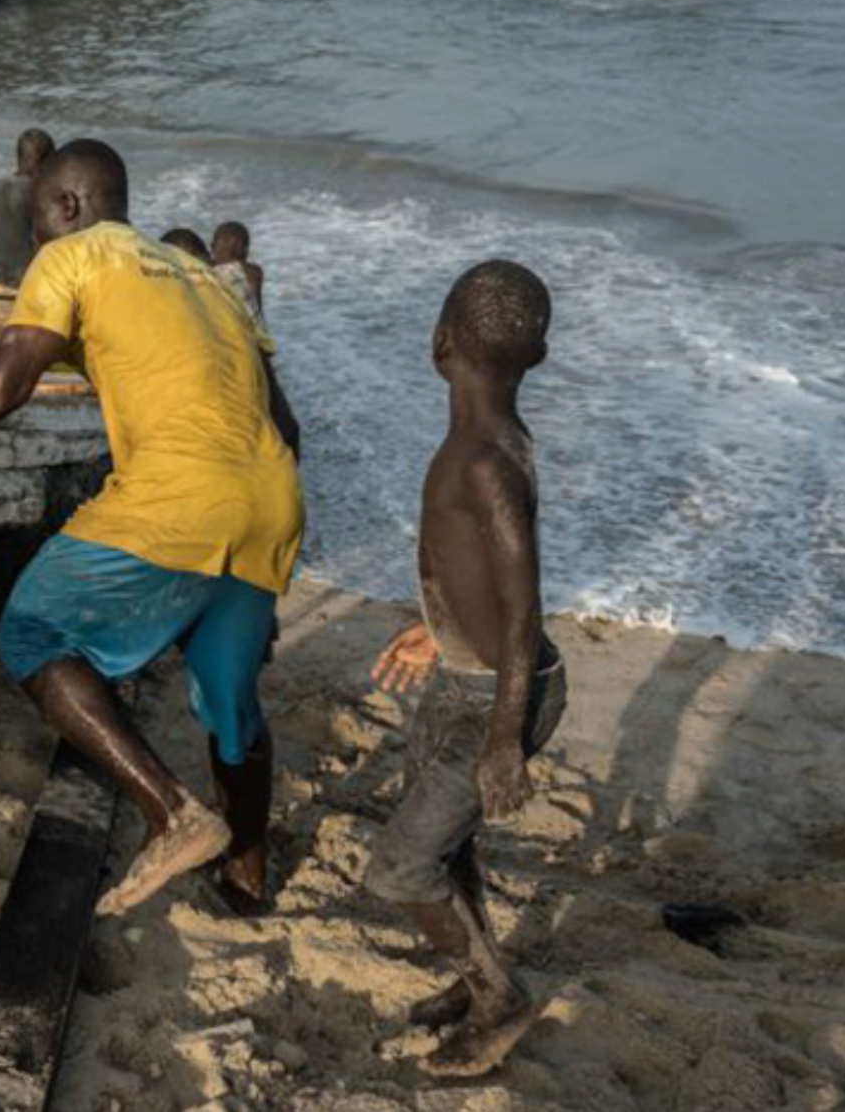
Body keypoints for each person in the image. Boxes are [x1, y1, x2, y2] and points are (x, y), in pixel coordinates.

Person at [0, 140, 304, 918]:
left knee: (31, 634)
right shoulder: (209, 280)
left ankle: (172, 812)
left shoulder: (71, 256)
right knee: (231, 707)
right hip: (270, 501)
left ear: (68, 206)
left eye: (38, 220)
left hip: (175, 497)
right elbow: (288, 426)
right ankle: (247, 880)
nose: (36, 237)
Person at [365, 259, 563, 1078]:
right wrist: (439, 628)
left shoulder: (485, 462)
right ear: (536, 357)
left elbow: (523, 612)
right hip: (464, 675)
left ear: (439, 341)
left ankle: (499, 998)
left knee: (402, 865)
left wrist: (505, 741)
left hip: (499, 697)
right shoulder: (488, 443)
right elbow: (479, 580)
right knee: (444, 847)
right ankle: (474, 970)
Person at [0, 129, 53, 286]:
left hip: (2, 276)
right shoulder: (37, 190)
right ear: (41, 162)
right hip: (30, 278)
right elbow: (40, 237)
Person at [210, 221, 265, 324]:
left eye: (238, 243)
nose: (231, 248)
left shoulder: (251, 271)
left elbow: (256, 307)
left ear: (246, 251)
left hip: (243, 327)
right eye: (226, 241)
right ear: (212, 247)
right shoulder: (206, 269)